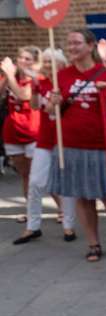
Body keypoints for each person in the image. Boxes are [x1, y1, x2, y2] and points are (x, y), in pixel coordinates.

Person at [48, 29, 106, 262]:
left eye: (77, 42)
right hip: (72, 145)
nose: (72, 47)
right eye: (69, 43)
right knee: (83, 197)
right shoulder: (62, 75)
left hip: (102, 144)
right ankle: (93, 243)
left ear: (90, 46)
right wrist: (53, 104)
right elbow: (50, 112)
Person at [13, 48, 77, 245]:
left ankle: (69, 224)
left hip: (64, 139)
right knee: (35, 182)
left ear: (61, 64)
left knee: (65, 184)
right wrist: (35, 86)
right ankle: (32, 226)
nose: (49, 65)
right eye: (46, 61)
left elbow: (53, 109)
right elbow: (33, 106)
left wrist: (54, 98)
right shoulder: (41, 82)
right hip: (44, 139)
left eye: (53, 62)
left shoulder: (67, 82)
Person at [1, 46, 42, 224]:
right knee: (25, 174)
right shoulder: (10, 77)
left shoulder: (36, 79)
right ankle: (31, 210)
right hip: (13, 131)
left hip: (33, 131)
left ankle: (62, 210)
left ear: (35, 63)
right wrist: (6, 76)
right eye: (20, 58)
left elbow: (23, 95)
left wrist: (9, 75)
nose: (23, 62)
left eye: (28, 59)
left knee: (38, 176)